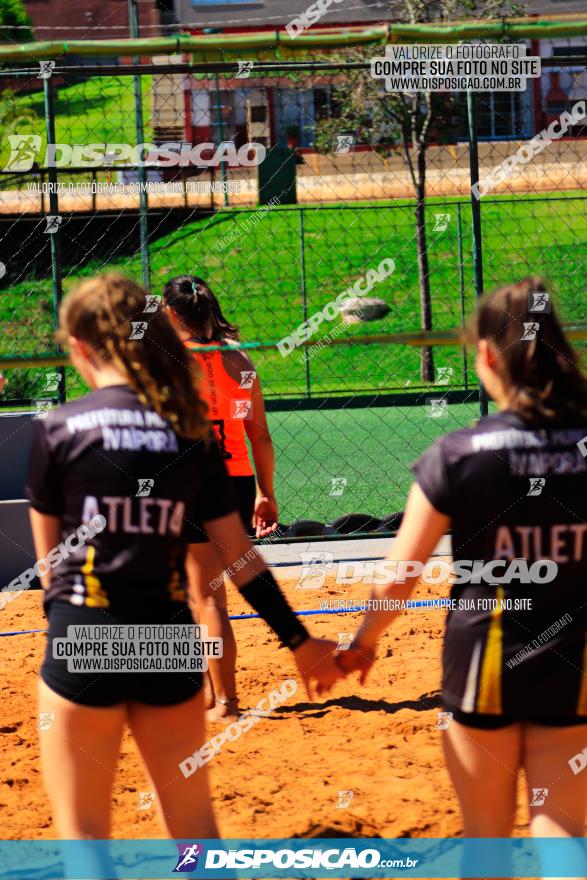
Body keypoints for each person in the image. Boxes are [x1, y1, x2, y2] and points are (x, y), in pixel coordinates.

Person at [27, 273, 344, 847]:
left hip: (84, 635)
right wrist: (299, 641)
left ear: (78, 348)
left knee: (83, 834)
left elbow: (52, 567)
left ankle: (220, 698)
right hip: (167, 642)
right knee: (195, 829)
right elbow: (243, 561)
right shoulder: (188, 435)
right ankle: (224, 699)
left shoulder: (59, 429)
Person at [340, 277, 587, 844]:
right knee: (564, 832)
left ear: (485, 355)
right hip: (572, 663)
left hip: (483, 664)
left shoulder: (457, 453)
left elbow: (400, 576)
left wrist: (362, 643)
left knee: (484, 834)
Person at [162, 275, 277, 721]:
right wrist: (266, 494)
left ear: (172, 315)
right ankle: (213, 693)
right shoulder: (241, 360)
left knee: (203, 597)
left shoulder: (168, 361)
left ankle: (223, 699)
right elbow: (259, 436)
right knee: (209, 595)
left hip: (189, 482)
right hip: (236, 481)